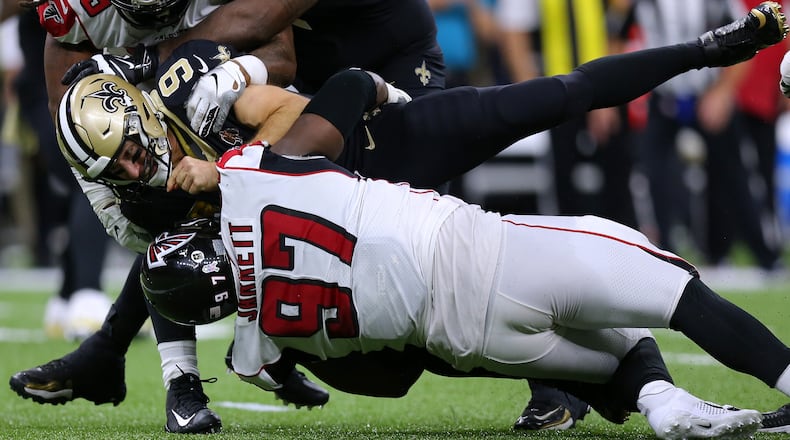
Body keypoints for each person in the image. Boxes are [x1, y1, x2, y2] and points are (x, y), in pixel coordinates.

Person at [42, 1, 790, 433]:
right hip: (343, 195)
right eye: (121, 171)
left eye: (136, 157)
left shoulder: (194, 95)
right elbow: (169, 256)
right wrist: (187, 379)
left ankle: (708, 48)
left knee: (551, 101)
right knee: (431, 333)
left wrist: (233, 167)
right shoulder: (162, 171)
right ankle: (583, 381)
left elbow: (296, 96)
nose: (139, 171)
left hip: (368, 145)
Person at [14, 0, 446, 434]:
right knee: (162, 196)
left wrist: (155, 61)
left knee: (415, 261)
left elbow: (271, 38)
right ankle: (155, 365)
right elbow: (72, 120)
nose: (158, 15)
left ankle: (268, 344)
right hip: (309, 66)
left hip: (384, 51)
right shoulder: (78, 16)